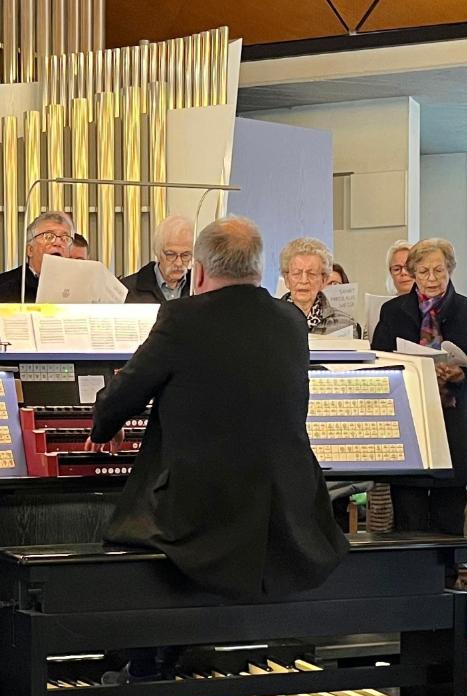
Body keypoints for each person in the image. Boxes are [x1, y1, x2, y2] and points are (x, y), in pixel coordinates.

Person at [93, 215, 348, 609]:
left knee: (117, 525)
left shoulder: (182, 317)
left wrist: (102, 424)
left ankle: (141, 651)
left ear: (200, 272)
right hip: (286, 508)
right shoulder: (291, 321)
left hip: (200, 512)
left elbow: (124, 395)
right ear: (260, 269)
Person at [370, 238, 467, 555]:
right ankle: (414, 589)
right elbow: (379, 363)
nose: (432, 278)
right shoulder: (393, 311)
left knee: (449, 521)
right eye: (423, 271)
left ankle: (448, 585)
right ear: (412, 273)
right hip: (410, 425)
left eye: (439, 269)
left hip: (454, 428)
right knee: (409, 521)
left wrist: (461, 374)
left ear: (450, 269)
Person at [0, 211, 72, 303]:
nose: (58, 243)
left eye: (65, 238)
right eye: (48, 236)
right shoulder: (5, 285)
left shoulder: (76, 283)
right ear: (30, 250)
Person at [278, 237, 358, 338]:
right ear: (286, 279)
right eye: (297, 273)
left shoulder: (344, 324)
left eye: (311, 274)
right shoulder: (269, 320)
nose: (304, 280)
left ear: (323, 280)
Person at [123, 215, 194, 304]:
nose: (179, 263)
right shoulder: (127, 290)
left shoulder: (200, 289)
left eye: (185, 255)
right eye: (171, 254)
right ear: (157, 252)